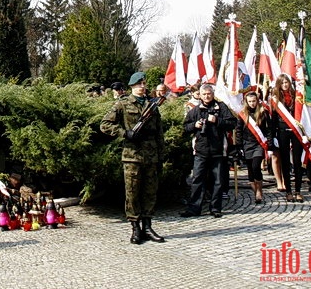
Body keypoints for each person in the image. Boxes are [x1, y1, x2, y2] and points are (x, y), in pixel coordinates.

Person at [100, 71, 165, 244]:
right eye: (138, 84)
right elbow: (105, 124)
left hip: (151, 155)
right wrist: (124, 133)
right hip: (132, 155)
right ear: (131, 86)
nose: (142, 87)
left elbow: (159, 133)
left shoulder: (153, 105)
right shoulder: (123, 104)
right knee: (132, 193)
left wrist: (161, 155)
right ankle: (135, 228)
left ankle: (148, 227)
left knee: (150, 192)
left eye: (144, 83)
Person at [181, 84, 236, 218]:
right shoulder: (195, 110)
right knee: (197, 179)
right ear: (200, 95)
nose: (207, 96)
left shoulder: (221, 107)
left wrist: (217, 120)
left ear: (212, 94)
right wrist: (194, 125)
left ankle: (215, 208)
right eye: (204, 94)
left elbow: (233, 123)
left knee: (217, 181)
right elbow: (185, 127)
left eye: (209, 94)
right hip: (200, 151)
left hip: (217, 150)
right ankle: (194, 208)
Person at [269, 74, 305, 202]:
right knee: (285, 162)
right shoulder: (275, 99)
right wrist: (272, 137)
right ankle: (288, 191)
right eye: (283, 82)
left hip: (296, 131)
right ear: (279, 84)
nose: (285, 84)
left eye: (287, 82)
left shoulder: (297, 96)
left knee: (296, 161)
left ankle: (298, 190)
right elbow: (273, 119)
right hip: (282, 131)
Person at [235, 90, 271, 204]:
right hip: (247, 143)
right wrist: (238, 146)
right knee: (250, 169)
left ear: (257, 101)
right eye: (250, 101)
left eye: (254, 101)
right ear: (246, 102)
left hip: (258, 144)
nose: (252, 103)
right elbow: (239, 130)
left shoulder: (263, 112)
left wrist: (269, 142)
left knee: (256, 166)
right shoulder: (242, 114)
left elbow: (268, 129)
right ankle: (255, 192)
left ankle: (259, 191)